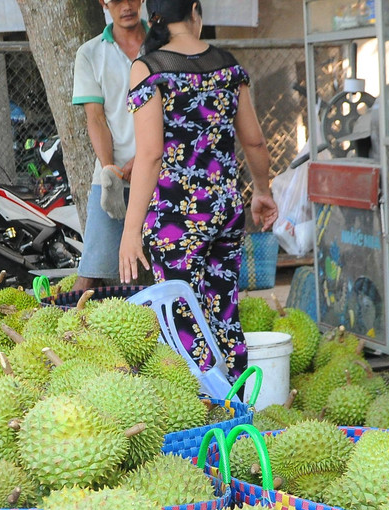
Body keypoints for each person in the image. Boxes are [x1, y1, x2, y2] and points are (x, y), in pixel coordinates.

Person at [118, 0, 277, 376]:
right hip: (225, 209)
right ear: (194, 11)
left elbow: (150, 155)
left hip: (177, 219)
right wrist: (262, 190)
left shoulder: (149, 69)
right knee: (224, 311)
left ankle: (203, 402)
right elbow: (254, 142)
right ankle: (237, 399)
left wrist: (130, 230)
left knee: (181, 319)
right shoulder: (228, 66)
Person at [71, 0, 146, 291]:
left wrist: (145, 159)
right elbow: (96, 118)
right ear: (103, 2)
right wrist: (109, 170)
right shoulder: (90, 53)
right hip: (115, 176)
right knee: (91, 271)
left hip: (164, 169)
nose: (125, 5)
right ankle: (66, 321)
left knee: (173, 268)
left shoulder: (163, 46)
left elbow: (175, 115)